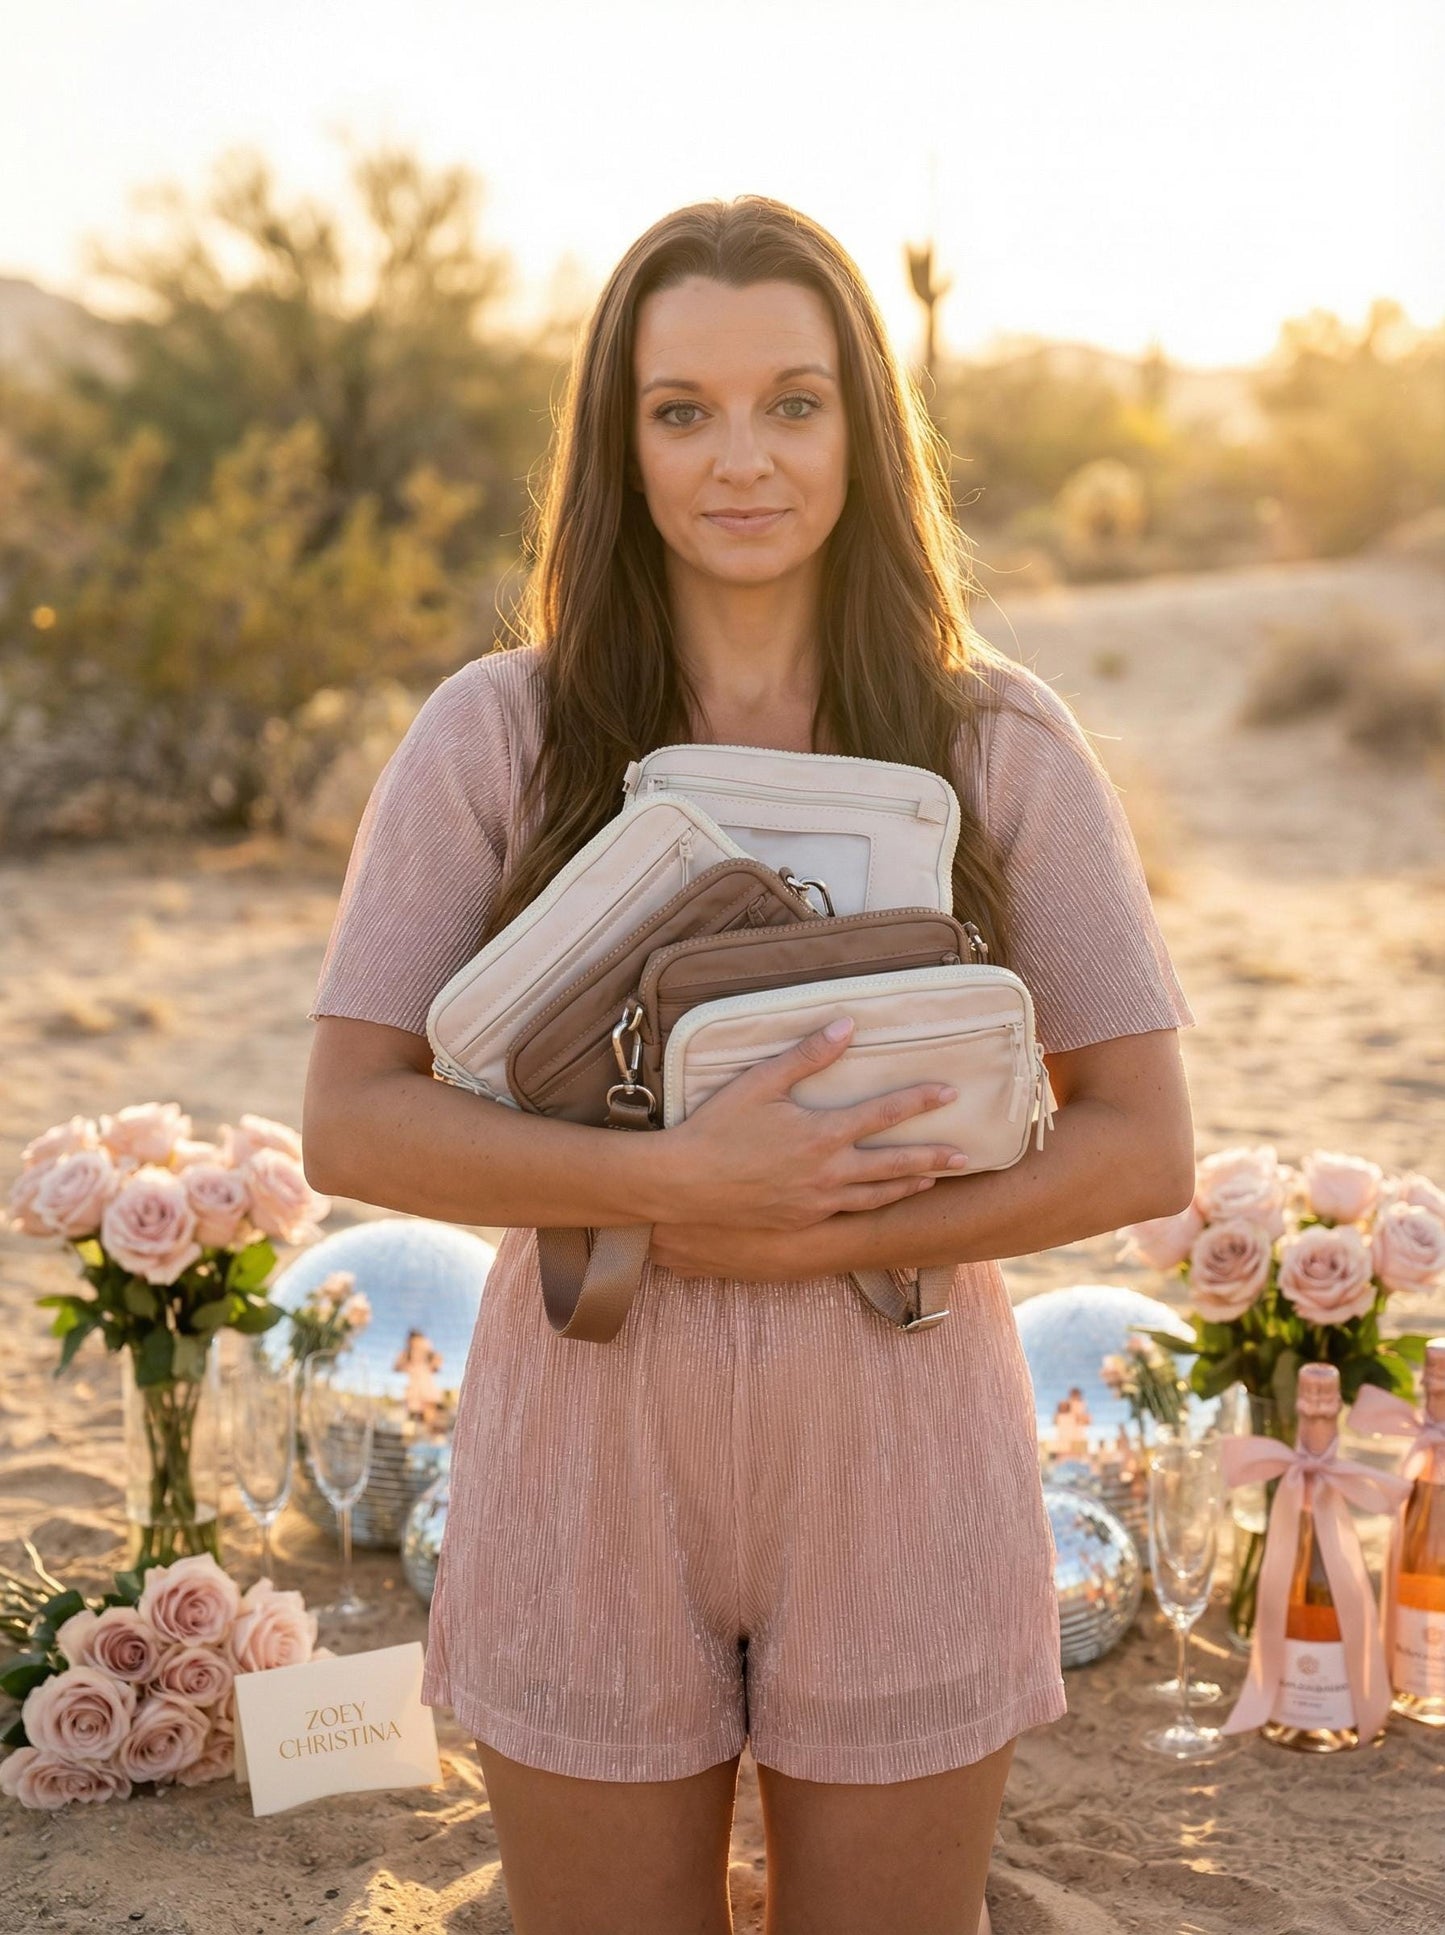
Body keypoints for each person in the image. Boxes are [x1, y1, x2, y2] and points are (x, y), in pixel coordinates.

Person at [302, 196, 1197, 1935]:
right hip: (585, 1420)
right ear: (616, 439)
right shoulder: (499, 732)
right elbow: (352, 1116)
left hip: (905, 1420)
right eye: (681, 409)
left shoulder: (992, 738)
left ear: (863, 424)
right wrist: (664, 1187)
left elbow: (1143, 1148)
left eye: (793, 402)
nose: (743, 460)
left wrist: (809, 1232)